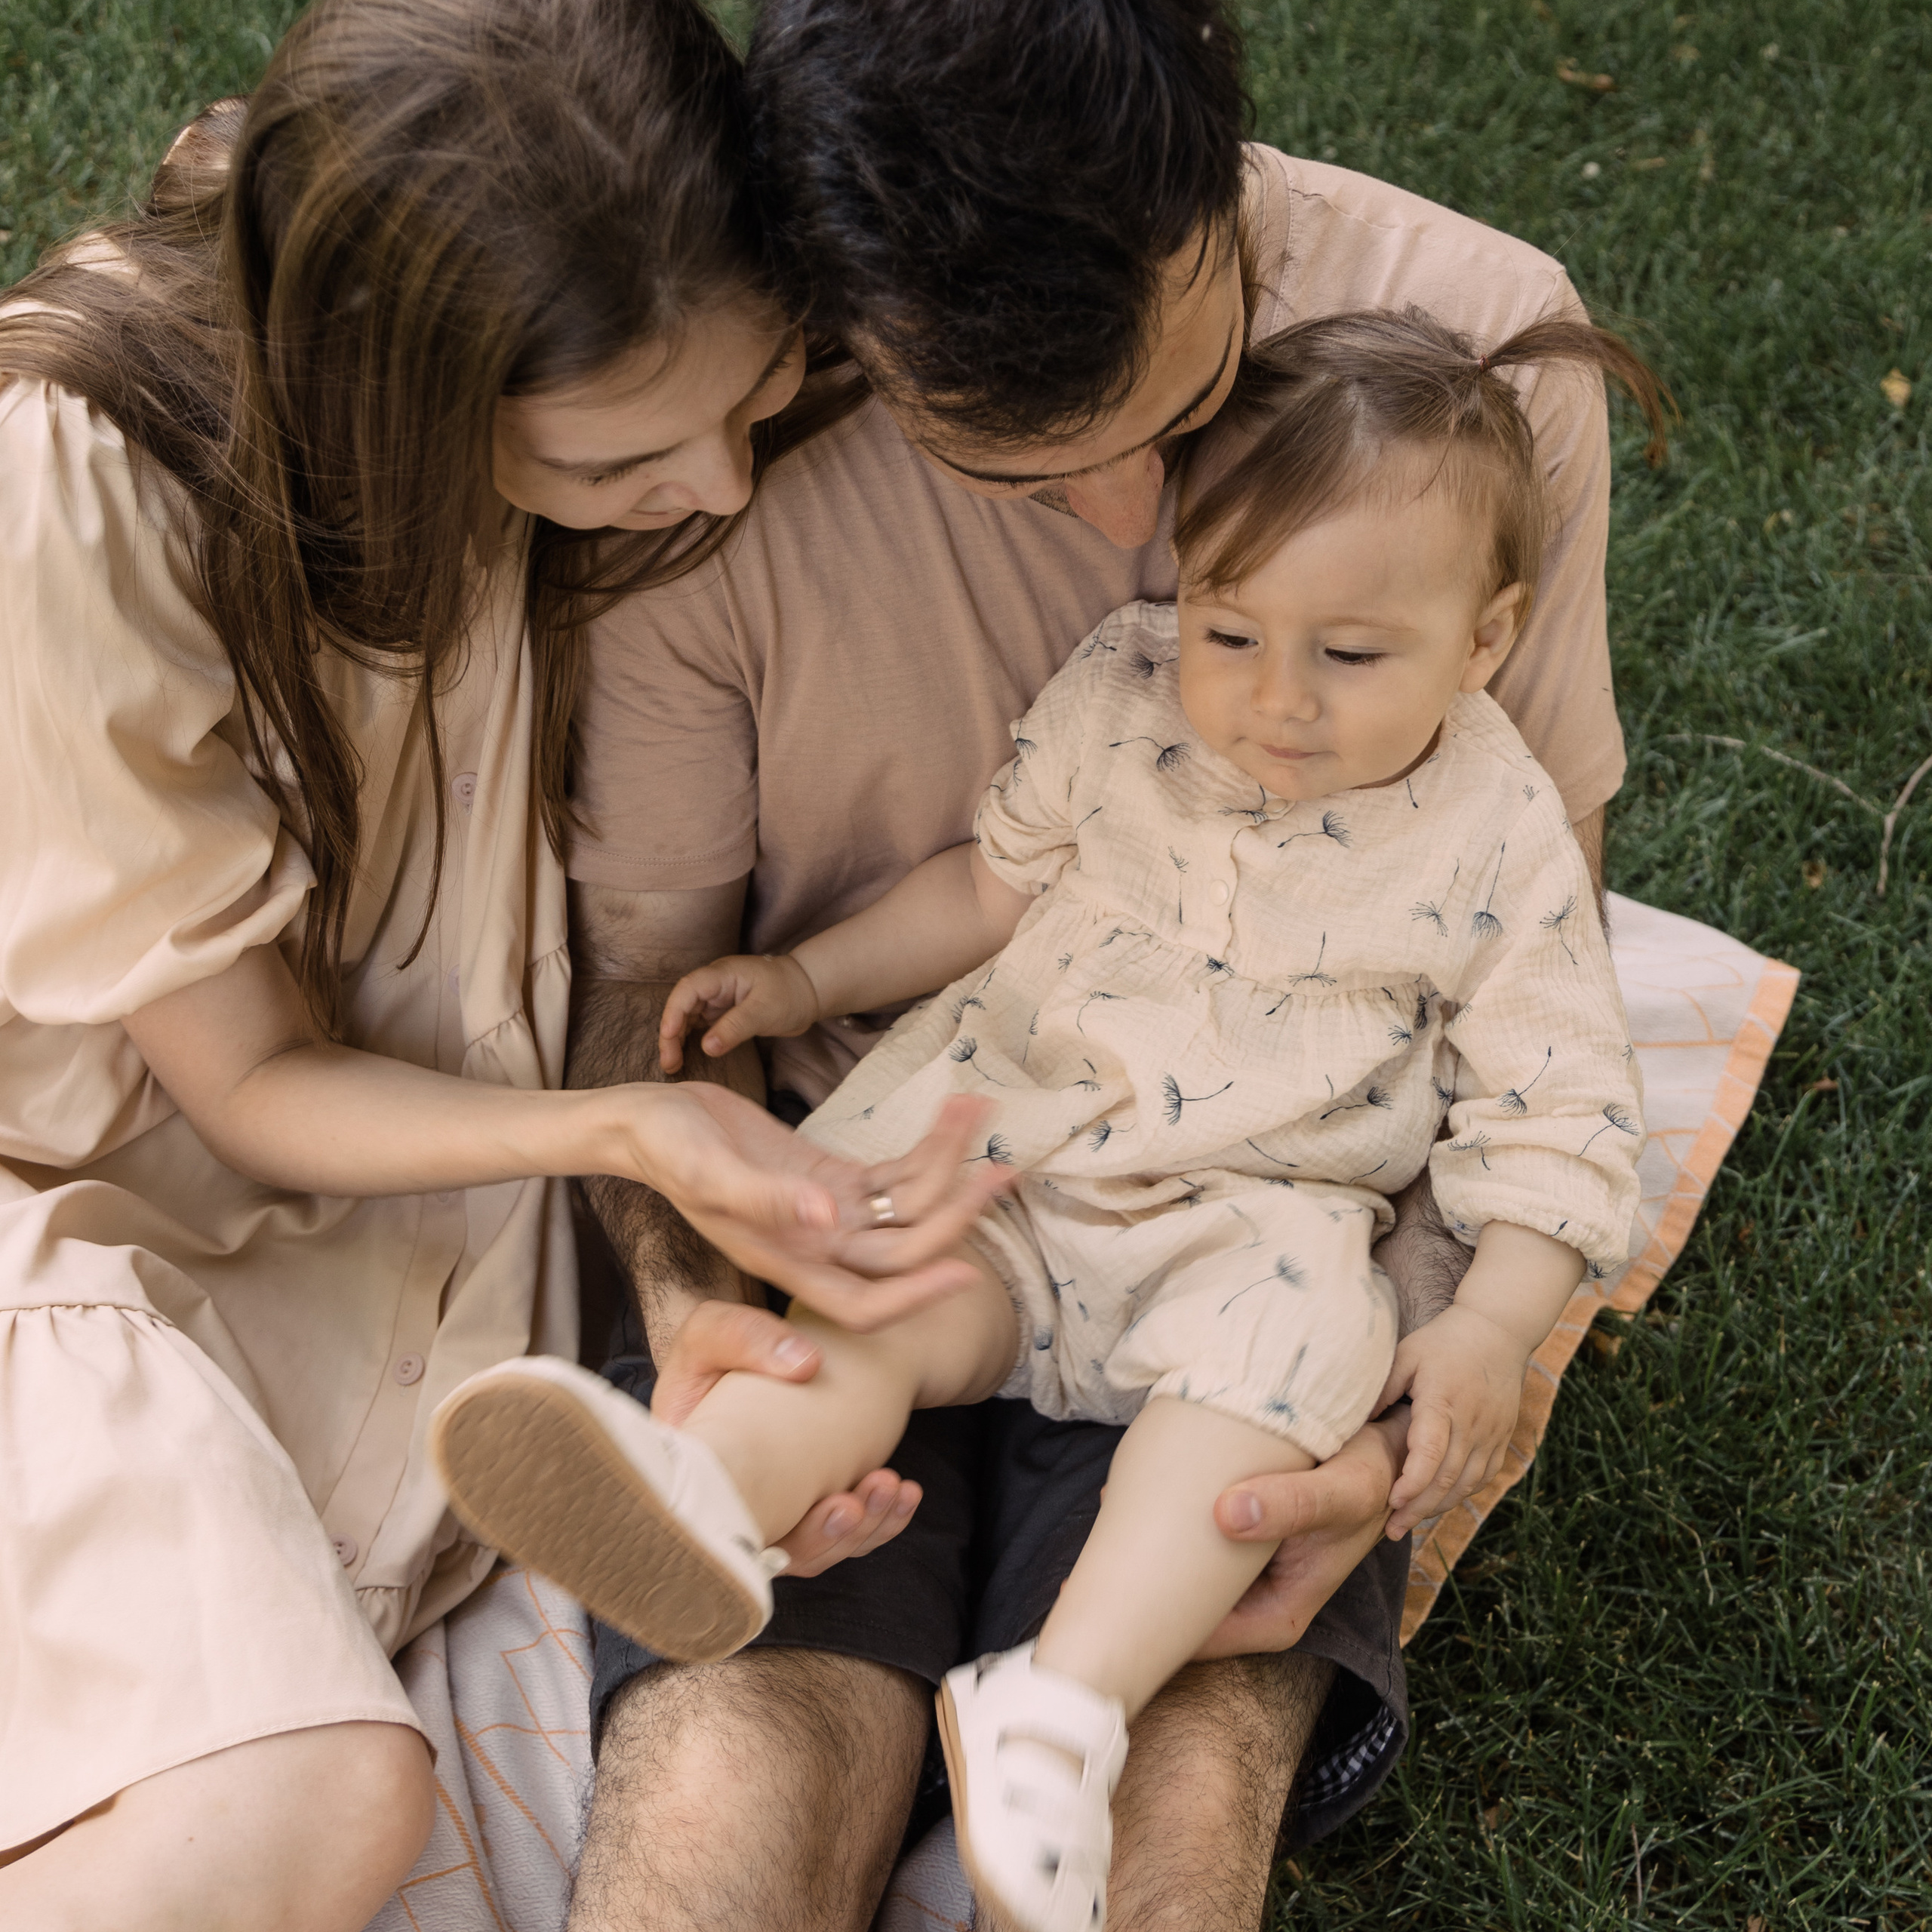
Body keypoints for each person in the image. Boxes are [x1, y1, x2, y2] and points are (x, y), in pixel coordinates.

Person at [543, 4, 1648, 1927]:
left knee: (1153, 1824)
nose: (1148, 545)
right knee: (730, 1800)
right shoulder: (699, 461)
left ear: (1219, 200)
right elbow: (669, 983)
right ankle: (694, 1491)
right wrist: (710, 1286)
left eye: (1181, 407)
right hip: (926, 1168)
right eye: (1017, 465)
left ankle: (1048, 1705)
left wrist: (1398, 1368)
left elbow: (1528, 1004)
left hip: (1275, 1241)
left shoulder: (1471, 356)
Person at [0, 3, 1000, 1924]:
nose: (719, 488)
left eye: (748, 399)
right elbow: (253, 1096)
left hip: (391, 1269)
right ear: (404, 390)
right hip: (92, 1225)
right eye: (629, 450)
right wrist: (632, 1133)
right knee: (316, 1805)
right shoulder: (93, 470)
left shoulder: (568, 357)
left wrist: (686, 1307)